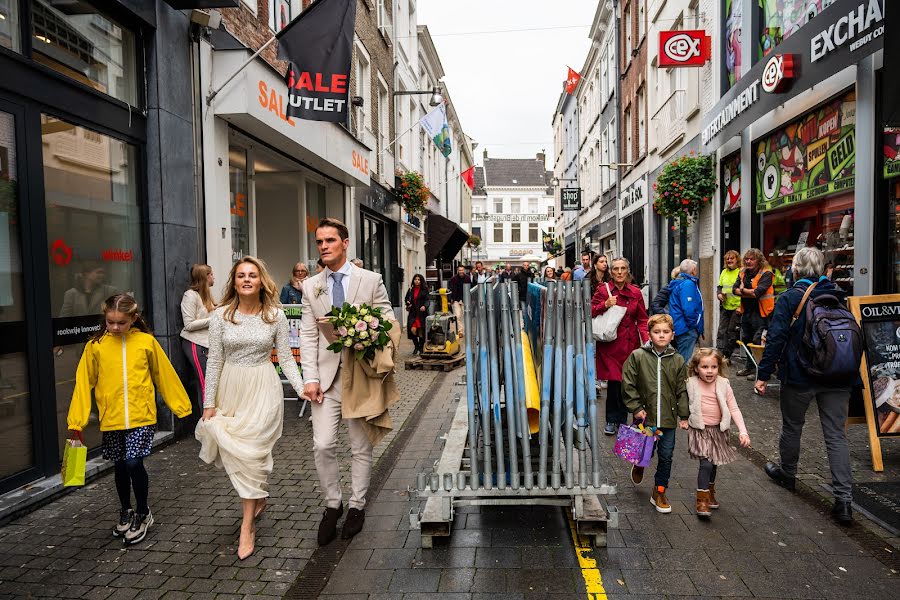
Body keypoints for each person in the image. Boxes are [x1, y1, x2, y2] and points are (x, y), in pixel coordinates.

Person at [195, 256, 305, 560]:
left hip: (263, 388)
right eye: (241, 275)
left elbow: (285, 358)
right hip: (231, 387)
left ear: (261, 281)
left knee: (254, 450)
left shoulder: (275, 316)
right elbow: (214, 360)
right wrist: (209, 403)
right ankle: (257, 496)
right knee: (238, 450)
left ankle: (247, 526)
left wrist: (301, 388)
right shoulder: (220, 316)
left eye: (252, 275)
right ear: (234, 281)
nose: (246, 279)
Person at [299, 218, 395, 545]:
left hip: (362, 377)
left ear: (345, 243)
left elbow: (389, 323)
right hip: (326, 382)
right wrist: (309, 378)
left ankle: (357, 505)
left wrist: (366, 333)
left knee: (359, 446)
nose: (324, 246)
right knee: (323, 444)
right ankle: (332, 503)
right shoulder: (311, 286)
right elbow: (309, 337)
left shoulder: (371, 280)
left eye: (329, 240)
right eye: (319, 242)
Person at [67, 294, 191, 546]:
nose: (114, 327)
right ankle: (126, 510)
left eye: (120, 323)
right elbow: (83, 384)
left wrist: (182, 408)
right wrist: (76, 422)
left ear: (133, 318)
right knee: (121, 466)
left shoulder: (146, 342)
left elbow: (164, 374)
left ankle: (143, 513)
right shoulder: (96, 345)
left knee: (134, 463)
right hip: (111, 418)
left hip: (141, 416)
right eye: (110, 322)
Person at [754, 247, 855, 524]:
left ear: (795, 270)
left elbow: (775, 339)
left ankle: (788, 475)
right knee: (836, 436)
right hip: (837, 376)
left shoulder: (790, 298)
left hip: (800, 376)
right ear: (823, 270)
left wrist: (762, 375)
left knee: (792, 427)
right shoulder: (837, 296)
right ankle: (844, 502)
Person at [620, 313, 689, 513]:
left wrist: (684, 416)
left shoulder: (677, 360)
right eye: (656, 332)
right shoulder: (638, 356)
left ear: (672, 335)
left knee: (666, 455)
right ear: (649, 333)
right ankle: (640, 464)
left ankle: (659, 491)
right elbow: (628, 383)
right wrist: (636, 407)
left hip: (668, 418)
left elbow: (681, 390)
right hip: (646, 417)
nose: (661, 335)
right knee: (646, 450)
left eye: (665, 332)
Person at [685, 348, 750, 517]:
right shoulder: (690, 383)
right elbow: (683, 403)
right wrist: (683, 418)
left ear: (718, 367)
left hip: (719, 431)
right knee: (706, 463)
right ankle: (702, 501)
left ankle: (710, 492)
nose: (709, 371)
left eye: (713, 367)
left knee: (714, 463)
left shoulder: (723, 384)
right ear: (696, 367)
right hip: (699, 430)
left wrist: (743, 432)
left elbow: (734, 408)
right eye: (705, 367)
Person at [591, 257, 650, 435]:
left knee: (627, 382)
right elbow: (590, 311)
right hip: (610, 344)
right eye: (615, 269)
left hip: (630, 343)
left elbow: (642, 319)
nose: (619, 272)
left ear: (627, 271)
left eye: (623, 268)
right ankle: (611, 419)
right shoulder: (603, 290)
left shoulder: (635, 292)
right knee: (615, 381)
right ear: (611, 271)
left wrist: (646, 340)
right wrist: (605, 304)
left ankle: (622, 420)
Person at [733, 248, 774, 377]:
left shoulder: (766, 273)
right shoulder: (742, 272)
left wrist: (742, 290)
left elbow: (757, 293)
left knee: (758, 342)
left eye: (752, 259)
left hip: (761, 313)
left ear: (758, 261)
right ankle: (750, 367)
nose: (748, 261)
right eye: (746, 259)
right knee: (746, 339)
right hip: (747, 311)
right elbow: (734, 290)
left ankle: (760, 371)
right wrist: (747, 291)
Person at [180, 264, 216, 411]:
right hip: (194, 343)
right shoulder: (190, 295)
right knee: (204, 383)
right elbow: (188, 324)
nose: (214, 277)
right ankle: (205, 421)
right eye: (211, 274)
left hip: (207, 344)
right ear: (204, 277)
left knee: (210, 383)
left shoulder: (206, 296)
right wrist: (215, 319)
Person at [659, 259, 704, 363]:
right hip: (686, 329)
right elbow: (689, 309)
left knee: (679, 359)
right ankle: (679, 379)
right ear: (693, 270)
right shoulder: (688, 284)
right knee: (683, 361)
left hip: (681, 326)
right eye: (696, 269)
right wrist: (694, 326)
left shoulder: (680, 283)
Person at [716, 250, 742, 363]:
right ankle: (719, 355)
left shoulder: (741, 272)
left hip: (736, 307)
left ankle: (727, 356)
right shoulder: (724, 272)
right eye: (727, 259)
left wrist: (741, 306)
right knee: (721, 331)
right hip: (725, 306)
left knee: (731, 332)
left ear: (737, 260)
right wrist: (719, 294)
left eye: (732, 258)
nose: (729, 260)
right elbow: (719, 286)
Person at [405, 274, 430, 355]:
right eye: (415, 279)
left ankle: (421, 347)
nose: (417, 281)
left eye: (419, 279)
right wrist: (408, 303)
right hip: (413, 313)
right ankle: (416, 346)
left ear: (421, 281)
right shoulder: (410, 290)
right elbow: (407, 299)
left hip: (421, 314)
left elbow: (427, 300)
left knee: (421, 331)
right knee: (413, 330)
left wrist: (424, 306)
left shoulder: (424, 290)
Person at [448, 265, 470, 335]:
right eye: (459, 270)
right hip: (456, 300)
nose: (461, 271)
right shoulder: (453, 279)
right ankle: (460, 331)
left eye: (462, 270)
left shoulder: (467, 278)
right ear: (457, 270)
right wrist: (450, 300)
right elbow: (450, 289)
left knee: (466, 315)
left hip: (465, 299)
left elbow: (470, 288)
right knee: (457, 316)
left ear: (464, 270)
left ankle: (467, 331)